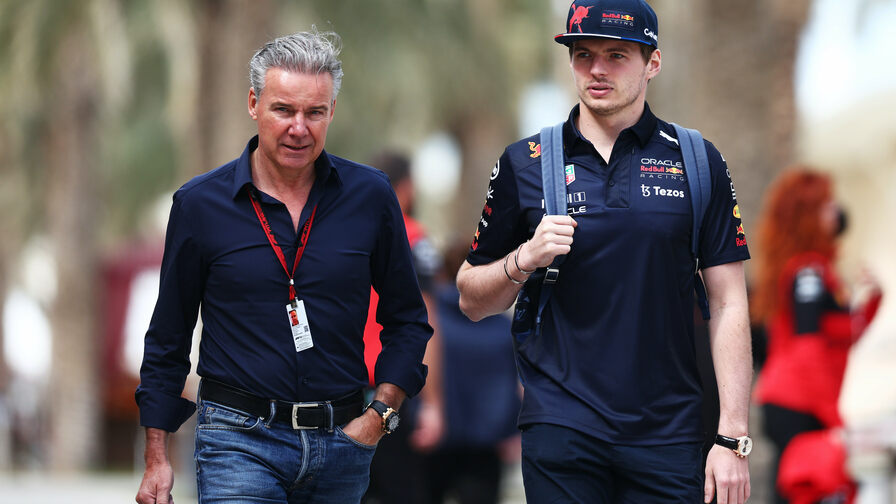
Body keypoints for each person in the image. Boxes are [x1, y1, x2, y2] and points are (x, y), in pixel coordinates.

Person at [456, 1, 753, 502]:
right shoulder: (525, 163)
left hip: (669, 433)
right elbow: (470, 298)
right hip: (561, 426)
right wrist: (524, 258)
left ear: (652, 63)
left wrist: (732, 438)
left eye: (616, 55)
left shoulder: (698, 161)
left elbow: (728, 302)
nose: (596, 69)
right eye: (583, 54)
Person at [134, 31, 432, 504]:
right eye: (283, 110)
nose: (299, 127)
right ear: (254, 104)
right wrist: (157, 457)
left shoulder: (371, 197)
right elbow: (168, 337)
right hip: (237, 441)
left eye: (314, 112)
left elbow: (408, 320)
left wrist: (379, 417)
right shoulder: (199, 205)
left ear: (332, 111)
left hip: (342, 441)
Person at [751, 169, 859, 503]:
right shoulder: (807, 272)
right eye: (827, 205)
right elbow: (807, 346)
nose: (836, 211)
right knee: (802, 489)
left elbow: (838, 335)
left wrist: (871, 304)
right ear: (809, 215)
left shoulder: (816, 269)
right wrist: (832, 413)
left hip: (800, 400)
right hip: (797, 402)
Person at [363, 151, 445, 503]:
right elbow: (427, 323)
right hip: (393, 394)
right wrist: (433, 404)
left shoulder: (343, 232)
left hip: (341, 391)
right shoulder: (412, 237)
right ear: (407, 188)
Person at [426, 237, 522, 504]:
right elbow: (518, 383)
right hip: (489, 442)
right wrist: (515, 432)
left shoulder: (430, 322)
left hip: (434, 437)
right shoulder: (503, 327)